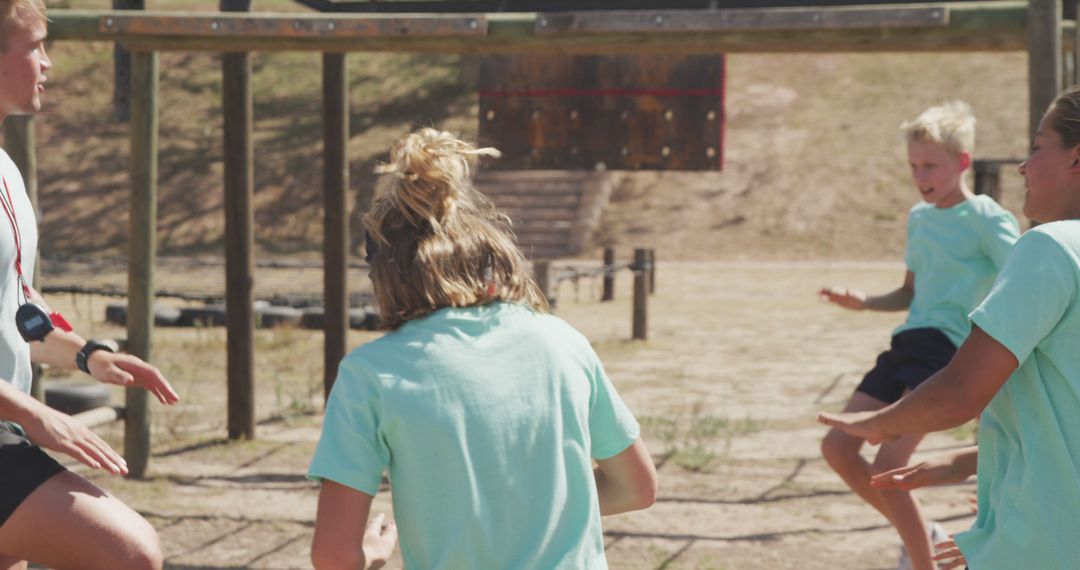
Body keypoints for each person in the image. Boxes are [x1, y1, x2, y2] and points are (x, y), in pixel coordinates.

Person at [308, 128, 658, 569]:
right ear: (490, 256)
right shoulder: (562, 341)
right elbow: (637, 488)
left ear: (385, 276)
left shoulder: (370, 373)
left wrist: (374, 556)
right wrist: (533, 512)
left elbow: (334, 557)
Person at [820, 84, 1080, 570]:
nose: (1023, 166)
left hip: (1042, 535)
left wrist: (879, 424)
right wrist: (974, 462)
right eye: (912, 166)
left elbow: (964, 387)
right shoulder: (921, 220)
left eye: (1038, 147)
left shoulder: (1041, 245)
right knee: (841, 448)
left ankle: (921, 559)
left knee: (877, 456)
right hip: (911, 345)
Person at [0, 1, 180, 568]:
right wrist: (32, 412)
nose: (48, 64)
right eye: (34, 46)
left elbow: (19, 306)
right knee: (131, 553)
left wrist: (90, 355)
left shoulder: (7, 170)